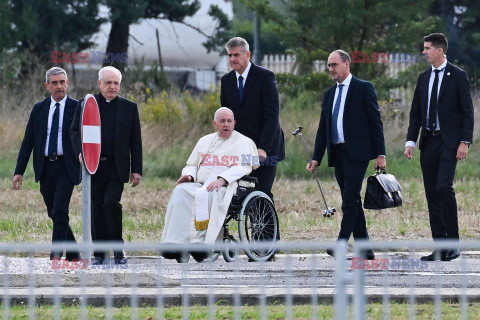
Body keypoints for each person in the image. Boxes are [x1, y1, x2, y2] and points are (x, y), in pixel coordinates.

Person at [307, 50, 386, 260]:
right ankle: (365, 248)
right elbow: (322, 129)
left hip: (358, 153)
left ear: (347, 64)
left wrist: (381, 154)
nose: (331, 69)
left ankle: (341, 243)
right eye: (329, 66)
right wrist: (316, 158)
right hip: (338, 153)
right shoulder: (329, 94)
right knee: (351, 199)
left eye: (334, 65)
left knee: (349, 199)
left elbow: (375, 123)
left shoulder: (364, 88)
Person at [404, 33, 474, 262]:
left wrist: (464, 142)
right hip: (429, 142)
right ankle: (439, 246)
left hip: (450, 142)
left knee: (444, 187)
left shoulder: (458, 75)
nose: (424, 52)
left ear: (439, 50)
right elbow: (416, 112)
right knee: (432, 193)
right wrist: (410, 141)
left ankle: (453, 245)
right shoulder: (424, 78)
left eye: (427, 48)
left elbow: (467, 112)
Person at [161, 107, 259, 262]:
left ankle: (201, 245)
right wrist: (188, 176)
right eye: (222, 121)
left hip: (227, 186)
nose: (226, 124)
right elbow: (192, 164)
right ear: (214, 123)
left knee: (210, 193)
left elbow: (245, 166)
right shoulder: (204, 140)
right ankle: (176, 244)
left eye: (229, 121)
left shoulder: (244, 142)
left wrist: (223, 179)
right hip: (200, 183)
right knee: (181, 191)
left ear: (234, 123)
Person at [70, 66, 142, 265]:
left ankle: (118, 249)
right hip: (93, 166)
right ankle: (100, 252)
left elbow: (135, 141)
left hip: (117, 167)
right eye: (108, 82)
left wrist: (136, 170)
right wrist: (80, 153)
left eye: (116, 83)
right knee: (96, 208)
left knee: (111, 204)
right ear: (99, 83)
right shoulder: (87, 104)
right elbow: (74, 131)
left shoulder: (129, 107)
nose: (112, 87)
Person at [13, 67, 81, 261]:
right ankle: (74, 252)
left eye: (62, 82)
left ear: (67, 83)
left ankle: (56, 257)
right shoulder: (39, 109)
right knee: (54, 212)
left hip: (67, 166)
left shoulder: (77, 107)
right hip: (45, 167)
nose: (59, 86)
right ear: (47, 86)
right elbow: (28, 141)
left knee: (60, 210)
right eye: (54, 83)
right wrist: (19, 171)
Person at [220, 36, 284, 200]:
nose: (232, 59)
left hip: (266, 145)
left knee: (261, 192)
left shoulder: (265, 77)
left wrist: (263, 148)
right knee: (241, 192)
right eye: (230, 55)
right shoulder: (226, 81)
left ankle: (266, 226)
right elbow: (226, 118)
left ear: (247, 55)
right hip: (241, 147)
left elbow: (272, 116)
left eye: (236, 55)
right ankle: (249, 225)